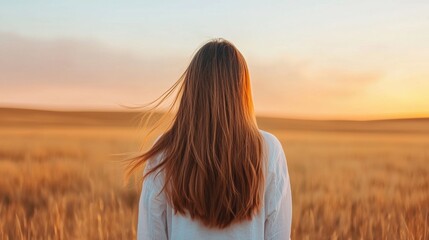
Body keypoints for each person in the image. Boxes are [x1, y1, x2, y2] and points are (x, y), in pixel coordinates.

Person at [128, 39, 292, 239]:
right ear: (242, 91)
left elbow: (149, 235)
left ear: (192, 89)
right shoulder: (269, 149)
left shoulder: (165, 150)